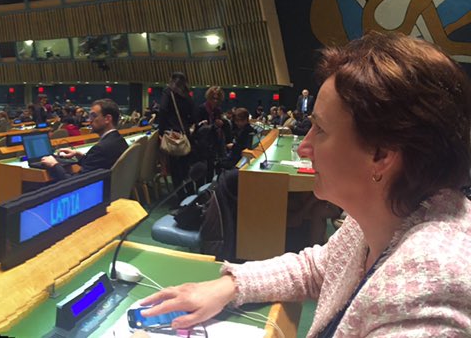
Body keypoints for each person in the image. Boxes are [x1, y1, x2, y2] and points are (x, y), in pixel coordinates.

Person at [138, 32, 471, 335]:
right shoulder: (388, 212)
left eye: (320, 130)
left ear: (382, 154)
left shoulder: (433, 290)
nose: (304, 146)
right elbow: (318, 267)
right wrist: (229, 287)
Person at [40, 99, 128, 180]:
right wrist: (79, 155)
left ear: (107, 119)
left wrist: (54, 165)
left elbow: (75, 183)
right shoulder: (119, 140)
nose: (90, 120)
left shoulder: (101, 148)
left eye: (93, 116)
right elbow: (98, 164)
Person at [158, 72, 194, 196]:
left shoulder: (168, 92)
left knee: (174, 169)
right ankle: (191, 194)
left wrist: (161, 131)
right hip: (184, 134)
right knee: (186, 168)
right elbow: (193, 115)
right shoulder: (187, 95)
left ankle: (180, 197)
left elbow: (163, 110)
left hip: (172, 134)